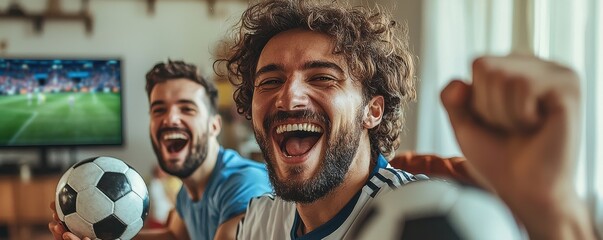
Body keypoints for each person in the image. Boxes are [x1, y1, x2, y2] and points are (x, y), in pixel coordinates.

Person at [220, 0, 597, 239]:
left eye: (322, 77)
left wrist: (552, 212)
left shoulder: (425, 222)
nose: (288, 96)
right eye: (270, 81)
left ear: (373, 110)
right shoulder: (258, 220)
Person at [49, 60, 272, 240]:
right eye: (159, 110)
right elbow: (175, 236)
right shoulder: (189, 192)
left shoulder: (245, 186)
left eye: (187, 108)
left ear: (214, 125)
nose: (170, 118)